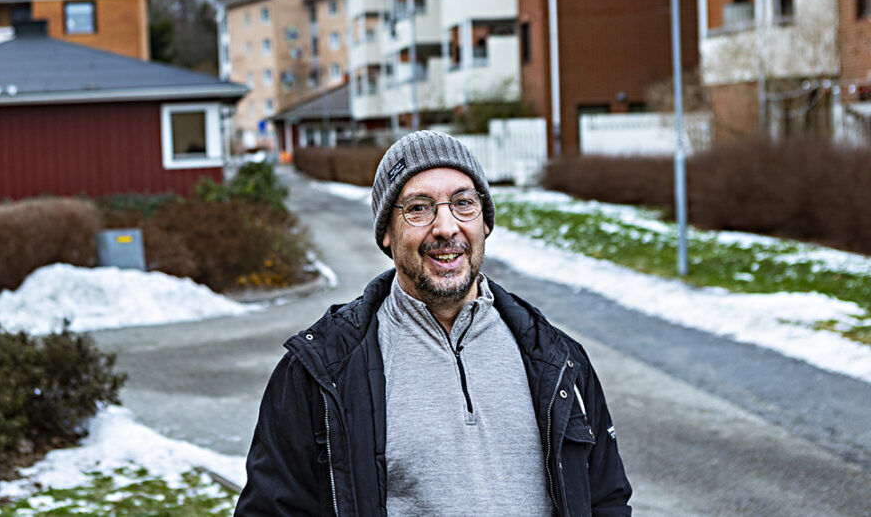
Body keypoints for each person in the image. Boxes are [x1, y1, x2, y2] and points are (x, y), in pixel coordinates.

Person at [236, 130, 632, 516]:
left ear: (485, 223)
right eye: (419, 208)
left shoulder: (559, 360)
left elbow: (606, 500)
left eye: (463, 203)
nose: (446, 228)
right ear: (387, 233)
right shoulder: (321, 372)